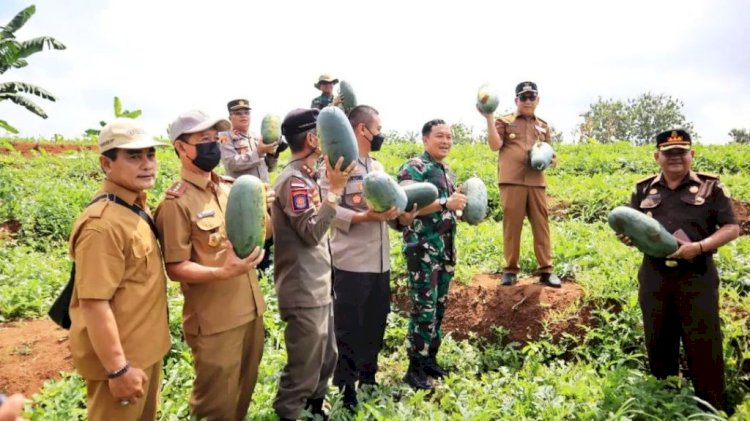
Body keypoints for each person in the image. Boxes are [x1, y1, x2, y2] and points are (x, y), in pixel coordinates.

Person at [155, 110, 270, 420]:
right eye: (202, 140)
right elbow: (175, 267)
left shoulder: (230, 188)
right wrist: (222, 272)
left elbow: (259, 234)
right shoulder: (175, 203)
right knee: (215, 405)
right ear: (180, 147)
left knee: (242, 395)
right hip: (215, 322)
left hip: (251, 311)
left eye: (215, 139)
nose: (212, 145)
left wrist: (265, 209)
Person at [621, 128, 739, 411]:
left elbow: (732, 227)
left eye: (681, 153)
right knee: (658, 339)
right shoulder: (643, 189)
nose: (675, 158)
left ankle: (711, 408)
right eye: (668, 153)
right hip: (654, 277)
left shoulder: (712, 188)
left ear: (692, 155)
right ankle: (664, 404)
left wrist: (698, 247)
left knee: (704, 343)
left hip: (696, 275)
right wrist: (627, 237)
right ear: (657, 156)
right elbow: (629, 227)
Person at [67, 119, 170, 420]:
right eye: (134, 156)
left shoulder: (134, 206)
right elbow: (94, 303)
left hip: (147, 351)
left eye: (150, 155)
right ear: (106, 164)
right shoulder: (102, 225)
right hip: (124, 361)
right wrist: (118, 369)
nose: (147, 164)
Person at [271, 108, 354, 420]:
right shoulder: (292, 181)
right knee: (303, 367)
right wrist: (334, 191)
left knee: (326, 358)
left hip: (318, 284)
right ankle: (288, 412)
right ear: (311, 138)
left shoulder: (307, 177)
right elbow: (311, 232)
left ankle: (315, 408)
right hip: (302, 288)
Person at [318, 105, 399, 409]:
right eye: (377, 127)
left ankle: (368, 376)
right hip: (351, 261)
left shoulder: (377, 167)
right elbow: (327, 209)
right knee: (349, 326)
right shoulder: (336, 165)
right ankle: (345, 385)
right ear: (363, 129)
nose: (380, 133)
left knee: (376, 321)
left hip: (380, 261)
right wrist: (363, 218)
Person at [396, 119, 467, 391]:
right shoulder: (414, 168)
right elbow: (404, 207)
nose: (446, 141)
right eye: (440, 136)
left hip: (445, 250)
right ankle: (414, 367)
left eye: (449, 136)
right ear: (425, 139)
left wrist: (458, 207)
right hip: (422, 248)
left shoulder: (447, 170)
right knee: (423, 309)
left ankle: (430, 360)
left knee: (438, 308)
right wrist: (443, 203)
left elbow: (448, 208)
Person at [480, 81, 560, 287]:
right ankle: (510, 269)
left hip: (536, 182)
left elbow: (550, 151)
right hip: (512, 181)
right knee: (512, 226)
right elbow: (494, 145)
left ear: (537, 100)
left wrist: (551, 159)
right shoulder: (505, 121)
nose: (527, 101)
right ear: (516, 100)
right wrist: (489, 119)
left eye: (531, 97)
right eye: (523, 97)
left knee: (541, 226)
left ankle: (546, 270)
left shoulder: (543, 125)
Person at [218, 98, 282, 275]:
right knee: (248, 240)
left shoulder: (255, 136)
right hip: (244, 201)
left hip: (264, 196)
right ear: (230, 116)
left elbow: (268, 167)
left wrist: (272, 154)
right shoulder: (225, 137)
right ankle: (250, 275)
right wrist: (259, 152)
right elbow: (232, 164)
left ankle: (265, 274)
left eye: (246, 112)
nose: (243, 116)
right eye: (238, 113)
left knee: (268, 239)